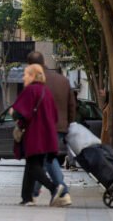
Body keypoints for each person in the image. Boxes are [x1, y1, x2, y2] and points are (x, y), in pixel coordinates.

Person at [10, 64, 64, 206]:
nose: (23, 77)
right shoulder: (46, 91)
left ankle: (54, 188)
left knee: (34, 166)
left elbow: (19, 112)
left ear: (33, 76)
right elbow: (55, 116)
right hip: (47, 136)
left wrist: (13, 113)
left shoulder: (30, 90)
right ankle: (27, 197)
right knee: (32, 165)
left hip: (35, 136)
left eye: (26, 74)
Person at [27, 51, 75, 206]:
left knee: (46, 160)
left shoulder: (37, 81)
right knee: (42, 160)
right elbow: (72, 105)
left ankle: (62, 191)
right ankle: (33, 194)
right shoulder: (63, 80)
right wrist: (68, 124)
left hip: (42, 127)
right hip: (61, 127)